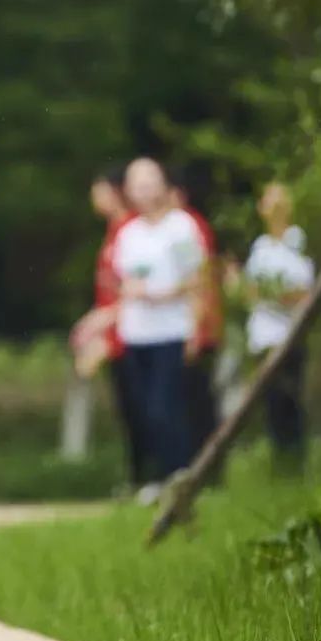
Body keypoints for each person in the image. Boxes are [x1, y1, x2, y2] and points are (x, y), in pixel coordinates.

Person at [112, 158, 204, 501]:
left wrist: (169, 301)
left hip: (171, 330)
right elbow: (123, 282)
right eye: (138, 182)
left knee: (166, 407)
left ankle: (179, 476)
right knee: (143, 409)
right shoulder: (128, 233)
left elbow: (195, 279)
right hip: (137, 334)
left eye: (151, 180)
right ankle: (156, 477)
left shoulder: (181, 227)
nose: (145, 189)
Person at [69, 167, 146, 488]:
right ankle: (136, 477)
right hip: (114, 332)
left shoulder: (132, 230)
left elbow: (135, 290)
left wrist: (104, 323)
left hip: (131, 334)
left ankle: (147, 477)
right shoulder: (114, 232)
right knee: (127, 410)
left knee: (140, 410)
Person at [241, 182, 315, 470]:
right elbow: (250, 290)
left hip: (290, 333)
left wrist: (272, 293)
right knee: (272, 403)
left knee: (290, 398)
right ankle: (280, 461)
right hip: (263, 336)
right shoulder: (260, 248)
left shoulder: (297, 242)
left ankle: (296, 460)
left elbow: (302, 289)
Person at [168, 170, 223, 460]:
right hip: (197, 325)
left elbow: (199, 281)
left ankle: (206, 464)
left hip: (199, 327)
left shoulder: (186, 227)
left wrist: (197, 328)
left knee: (197, 402)